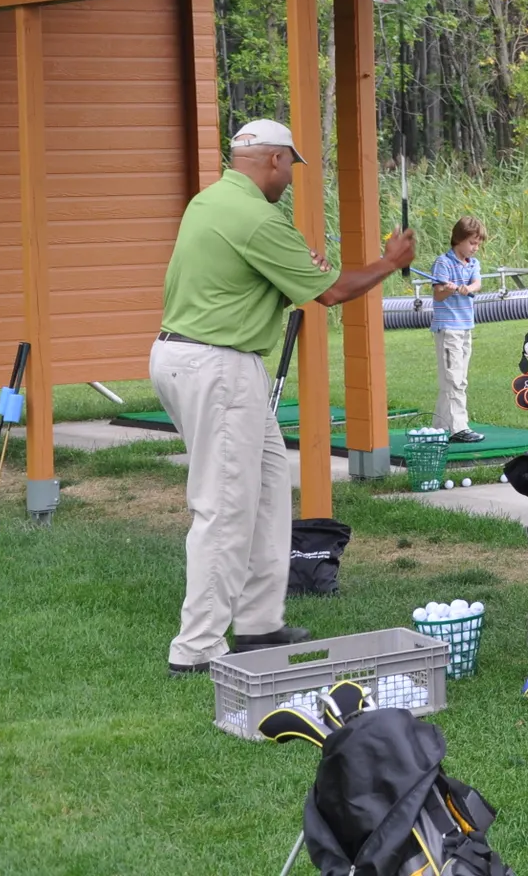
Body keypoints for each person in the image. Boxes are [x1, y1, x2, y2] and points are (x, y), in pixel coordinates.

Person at [154, 119, 415, 676]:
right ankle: (196, 647)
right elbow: (336, 291)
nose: (289, 180)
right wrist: (391, 261)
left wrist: (297, 272)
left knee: (269, 490)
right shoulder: (257, 219)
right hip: (219, 367)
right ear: (273, 160)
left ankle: (257, 624)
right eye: (289, 168)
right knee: (223, 508)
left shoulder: (210, 201)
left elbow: (254, 278)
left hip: (190, 358)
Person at [429, 216, 488, 444]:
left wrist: (467, 288)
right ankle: (458, 428)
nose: (475, 248)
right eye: (472, 243)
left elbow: (477, 284)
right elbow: (438, 293)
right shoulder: (443, 263)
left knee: (458, 378)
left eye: (477, 244)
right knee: (454, 379)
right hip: (448, 329)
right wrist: (450, 289)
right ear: (459, 240)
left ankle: (439, 426)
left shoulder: (473, 264)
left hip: (465, 328)